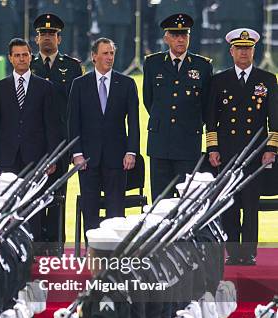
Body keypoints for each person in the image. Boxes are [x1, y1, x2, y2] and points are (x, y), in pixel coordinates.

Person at [205, 28, 278, 266]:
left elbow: (274, 119)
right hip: (227, 154)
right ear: (232, 51)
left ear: (254, 50)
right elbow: (211, 119)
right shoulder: (219, 80)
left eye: (248, 48)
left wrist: (272, 148)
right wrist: (213, 148)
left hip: (255, 153)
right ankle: (233, 252)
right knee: (230, 205)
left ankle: (249, 253)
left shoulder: (267, 79)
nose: (244, 52)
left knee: (250, 204)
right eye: (239, 48)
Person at [68, 37, 140, 233]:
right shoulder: (79, 84)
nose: (109, 57)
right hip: (87, 160)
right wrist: (77, 154)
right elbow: (73, 122)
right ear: (94, 56)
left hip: (117, 158)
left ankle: (114, 256)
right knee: (90, 211)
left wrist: (131, 152)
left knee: (116, 211)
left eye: (112, 53)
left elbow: (133, 122)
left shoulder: (127, 83)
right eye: (105, 53)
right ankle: (93, 253)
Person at [143, 13, 212, 200]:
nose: (181, 39)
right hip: (160, 143)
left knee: (188, 201)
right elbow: (148, 100)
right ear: (166, 38)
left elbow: (206, 105)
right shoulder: (152, 63)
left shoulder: (203, 66)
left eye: (185, 35)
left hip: (188, 144)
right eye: (175, 35)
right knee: (160, 202)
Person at [30, 13, 83, 248]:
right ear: (36, 38)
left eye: (52, 34)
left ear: (59, 39)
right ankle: (34, 242)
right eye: (43, 34)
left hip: (61, 143)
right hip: (32, 143)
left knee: (58, 195)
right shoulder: (27, 64)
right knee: (32, 196)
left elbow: (77, 109)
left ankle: (56, 243)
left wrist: (75, 146)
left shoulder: (71, 67)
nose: (47, 39)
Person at [0, 38, 58, 176]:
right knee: (8, 197)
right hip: (6, 157)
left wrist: (52, 157)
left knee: (34, 197)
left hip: (37, 157)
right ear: (10, 58)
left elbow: (51, 125)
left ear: (31, 57)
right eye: (17, 55)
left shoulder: (45, 87)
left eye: (25, 55)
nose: (21, 59)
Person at [94, 0, 134, 72]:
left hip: (122, 13)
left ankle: (118, 70)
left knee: (119, 46)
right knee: (104, 46)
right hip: (105, 14)